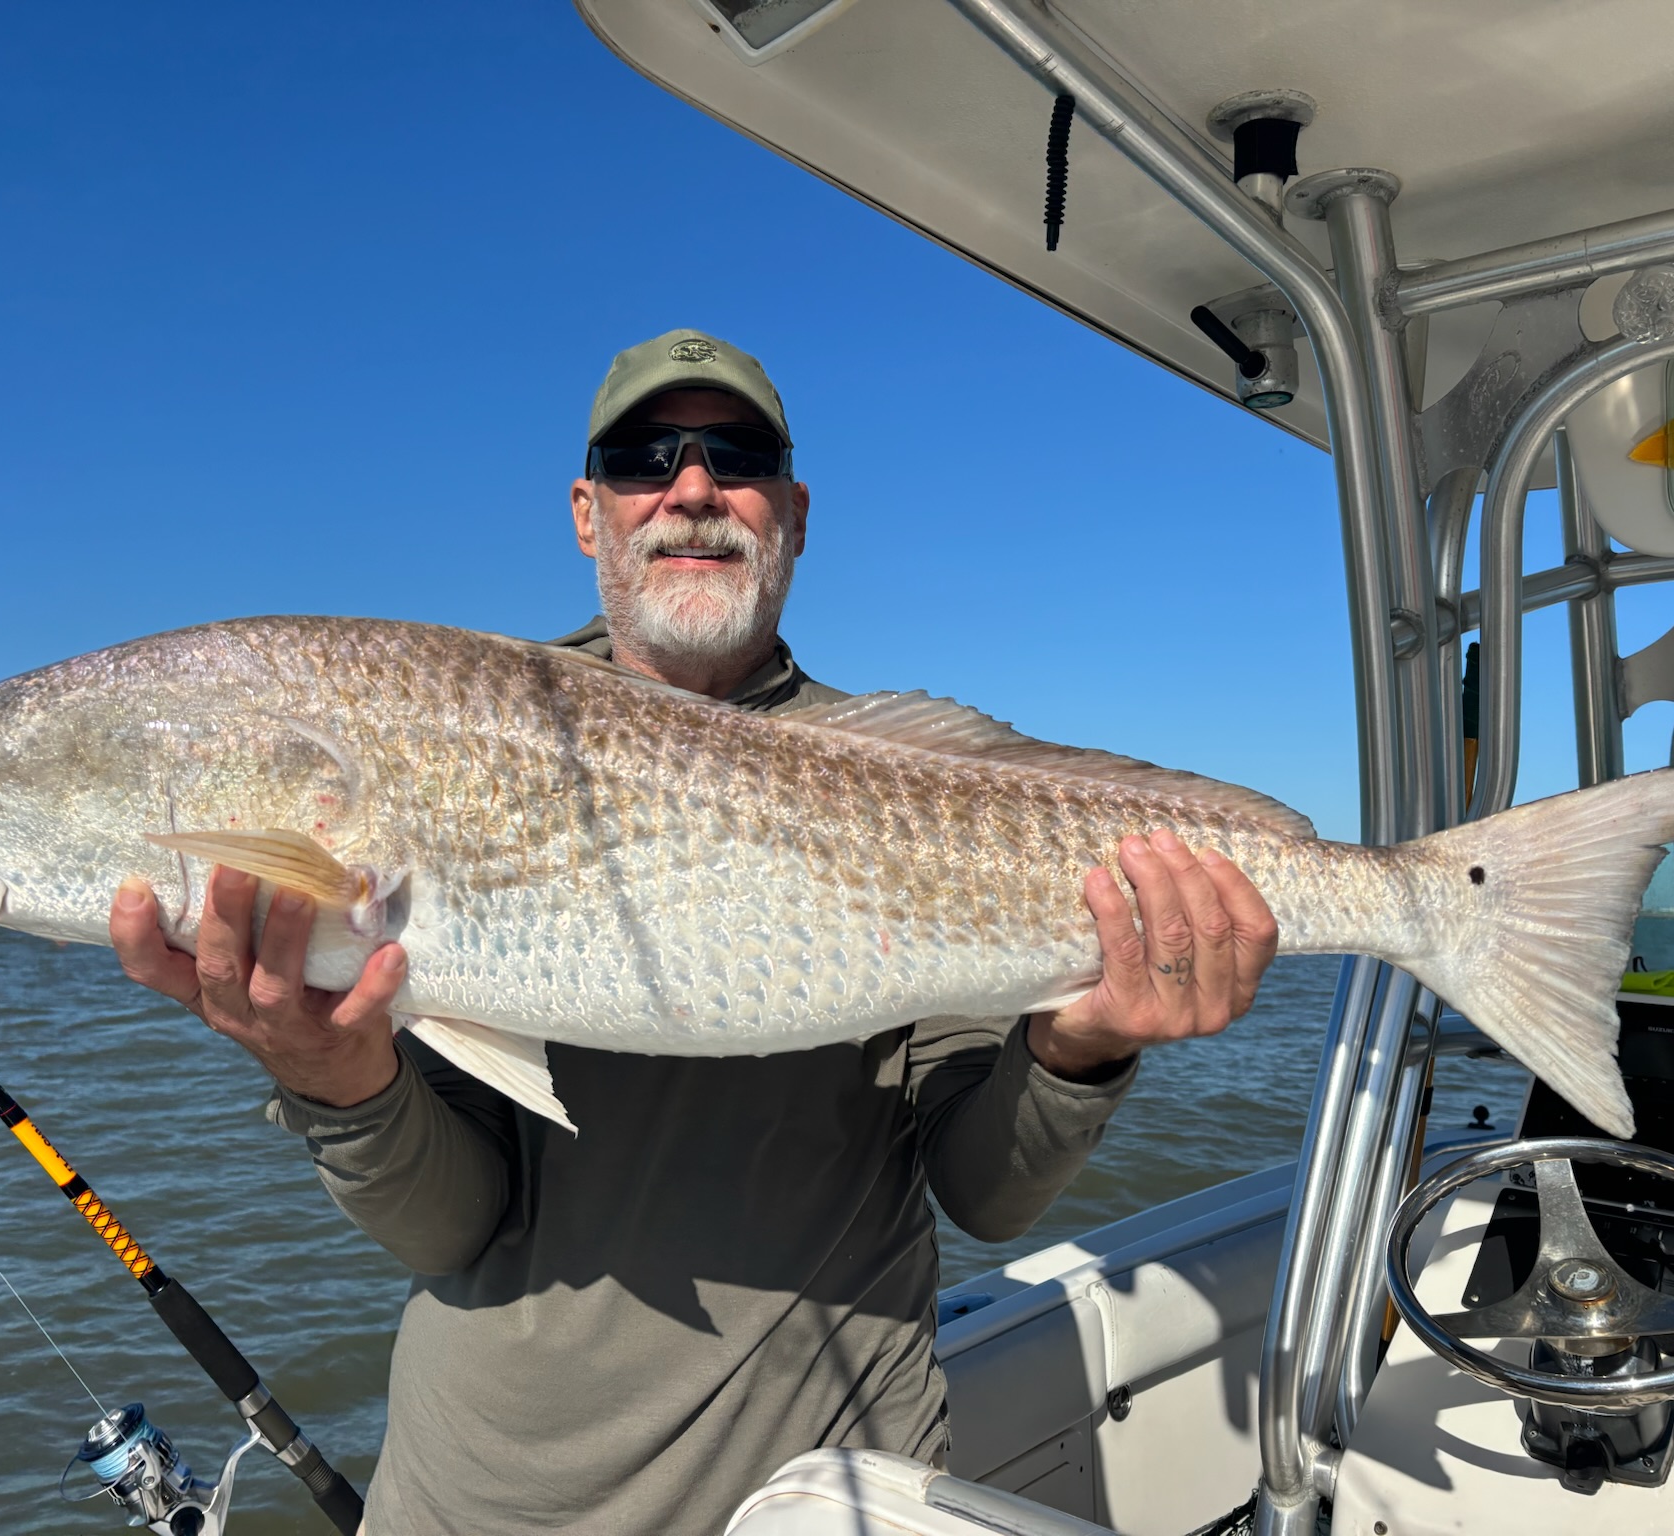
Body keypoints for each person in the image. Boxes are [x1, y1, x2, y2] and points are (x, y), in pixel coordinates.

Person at [109, 329, 1279, 1535]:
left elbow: (983, 1194)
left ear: (794, 514)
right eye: (641, 459)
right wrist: (333, 1076)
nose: (691, 488)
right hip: (482, 1501)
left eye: (738, 456)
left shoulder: (909, 782)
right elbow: (450, 1224)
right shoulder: (446, 733)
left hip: (834, 1490)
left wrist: (1081, 1046)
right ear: (586, 513)